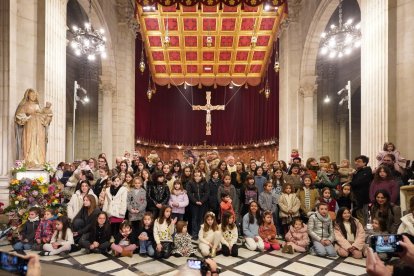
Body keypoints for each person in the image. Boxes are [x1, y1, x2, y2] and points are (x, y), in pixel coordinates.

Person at [14, 88, 53, 167]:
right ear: (28, 95)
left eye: (35, 95)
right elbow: (19, 115)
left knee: (39, 143)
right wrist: (27, 118)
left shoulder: (38, 105)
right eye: (32, 94)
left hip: (39, 127)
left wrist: (47, 111)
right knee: (29, 143)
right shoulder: (25, 105)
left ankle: (40, 161)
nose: (33, 96)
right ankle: (29, 161)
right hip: (30, 127)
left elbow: (44, 115)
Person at [187, 170, 209, 239]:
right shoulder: (190, 183)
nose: (197, 176)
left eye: (198, 175)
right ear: (193, 175)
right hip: (193, 204)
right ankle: (194, 234)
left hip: (203, 204)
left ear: (201, 175)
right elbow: (189, 193)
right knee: (194, 218)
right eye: (195, 175)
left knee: (201, 219)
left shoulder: (204, 182)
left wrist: (202, 201)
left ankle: (200, 233)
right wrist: (195, 201)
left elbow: (207, 193)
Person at [350, 155, 373, 222]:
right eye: (356, 161)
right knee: (357, 214)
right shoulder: (357, 171)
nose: (356, 163)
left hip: (363, 197)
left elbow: (357, 182)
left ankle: (364, 228)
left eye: (359, 161)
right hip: (356, 196)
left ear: (364, 163)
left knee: (363, 214)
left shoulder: (367, 171)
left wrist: (350, 183)